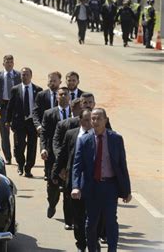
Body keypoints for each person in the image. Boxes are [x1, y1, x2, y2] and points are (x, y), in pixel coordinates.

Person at [72, 108, 132, 252]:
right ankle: (92, 249)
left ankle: (112, 249)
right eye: (92, 118)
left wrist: (127, 191)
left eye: (99, 118)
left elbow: (122, 166)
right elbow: (77, 166)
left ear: (105, 120)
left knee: (111, 221)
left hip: (110, 186)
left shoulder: (116, 139)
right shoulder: (84, 140)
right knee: (91, 223)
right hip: (92, 187)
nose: (95, 121)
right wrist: (76, 186)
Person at [54, 108, 93, 252]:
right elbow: (63, 154)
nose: (90, 123)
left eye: (92, 119)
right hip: (75, 182)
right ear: (80, 121)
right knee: (78, 217)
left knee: (93, 216)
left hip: (93, 184)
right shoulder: (71, 135)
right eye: (87, 120)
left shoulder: (99, 136)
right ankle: (81, 244)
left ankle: (93, 242)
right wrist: (56, 172)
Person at [40, 87, 72, 227]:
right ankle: (52, 204)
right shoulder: (49, 113)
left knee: (67, 187)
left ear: (69, 97)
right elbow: (44, 134)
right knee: (53, 186)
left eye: (66, 94)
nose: (63, 96)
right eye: (61, 94)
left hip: (70, 157)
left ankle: (68, 219)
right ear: (57, 97)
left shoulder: (75, 115)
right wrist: (43, 149)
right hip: (53, 156)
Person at [5, 67, 43, 177]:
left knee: (32, 146)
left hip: (33, 122)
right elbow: (10, 106)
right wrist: (7, 120)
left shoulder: (38, 90)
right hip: (19, 123)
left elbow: (41, 108)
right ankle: (20, 165)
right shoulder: (15, 89)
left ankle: (28, 168)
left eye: (26, 74)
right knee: (19, 146)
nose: (24, 76)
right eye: (22, 74)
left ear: (31, 76)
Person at [0, 55, 21, 164]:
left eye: (11, 62)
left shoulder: (18, 75)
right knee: (4, 133)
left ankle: (17, 154)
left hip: (15, 107)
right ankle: (7, 156)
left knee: (17, 133)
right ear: (3, 63)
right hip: (3, 107)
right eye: (7, 62)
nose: (9, 64)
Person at [33, 71, 62, 139]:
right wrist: (38, 125)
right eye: (50, 81)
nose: (52, 83)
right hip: (45, 130)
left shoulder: (64, 95)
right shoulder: (41, 95)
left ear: (60, 82)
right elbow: (35, 112)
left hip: (60, 130)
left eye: (54, 81)